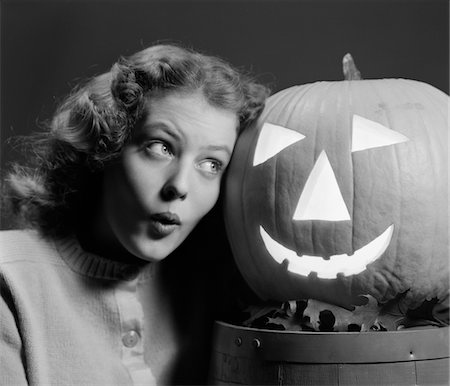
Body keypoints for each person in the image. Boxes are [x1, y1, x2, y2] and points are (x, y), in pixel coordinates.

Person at [0, 43, 269, 385]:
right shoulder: (9, 278)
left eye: (211, 164)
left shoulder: (219, 286)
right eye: (161, 147)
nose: (180, 186)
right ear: (105, 145)